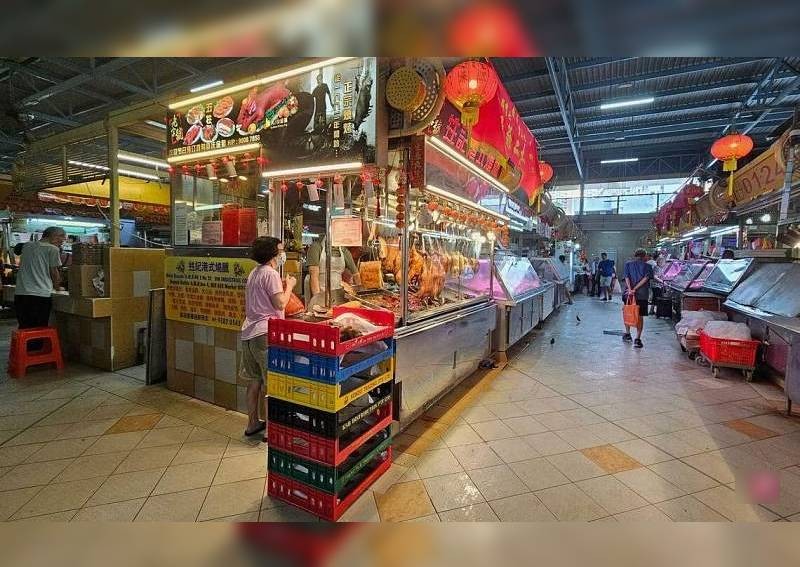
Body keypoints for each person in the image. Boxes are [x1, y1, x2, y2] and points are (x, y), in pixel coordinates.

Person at [240, 237, 296, 437]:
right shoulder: (271, 274)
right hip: (265, 333)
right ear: (273, 253)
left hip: (248, 332)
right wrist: (289, 285)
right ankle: (270, 430)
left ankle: (252, 423)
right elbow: (280, 303)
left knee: (254, 380)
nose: (282, 253)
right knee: (271, 382)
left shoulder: (254, 273)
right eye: (280, 250)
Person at [15, 227, 66, 332]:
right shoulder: (52, 249)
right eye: (61, 240)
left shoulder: (27, 246)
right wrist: (57, 287)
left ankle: (25, 348)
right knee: (38, 329)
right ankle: (36, 348)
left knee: (24, 327)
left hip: (20, 294)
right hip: (40, 295)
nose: (61, 243)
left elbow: (17, 249)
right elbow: (54, 272)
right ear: (55, 237)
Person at [305, 236, 361, 308]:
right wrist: (318, 300)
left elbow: (356, 274)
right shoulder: (316, 247)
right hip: (320, 292)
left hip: (339, 294)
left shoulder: (343, 250)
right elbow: (314, 276)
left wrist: (359, 295)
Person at [623, 248, 654, 349]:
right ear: (644, 256)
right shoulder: (648, 266)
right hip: (642, 295)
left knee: (627, 312)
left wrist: (630, 289)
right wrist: (635, 289)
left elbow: (626, 277)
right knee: (640, 316)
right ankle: (637, 339)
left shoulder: (628, 264)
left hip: (629, 294)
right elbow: (645, 279)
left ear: (635, 255)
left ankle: (627, 334)